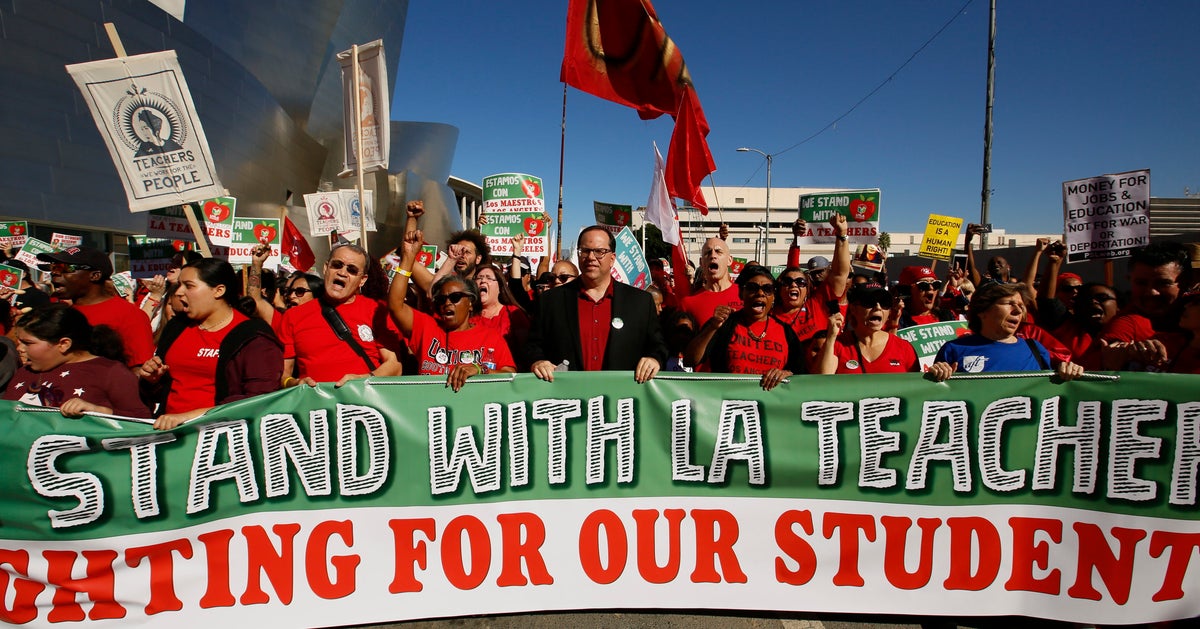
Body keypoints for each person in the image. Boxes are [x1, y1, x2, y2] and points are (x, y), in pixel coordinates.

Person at [137, 259, 282, 429]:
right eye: (179, 285)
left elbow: (259, 400)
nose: (178, 292)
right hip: (169, 433)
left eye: (189, 286)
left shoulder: (254, 337)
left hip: (221, 437)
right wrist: (152, 380)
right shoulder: (176, 327)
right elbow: (159, 392)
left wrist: (189, 417)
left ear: (218, 290)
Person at [527, 226, 667, 382]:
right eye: (585, 251)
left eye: (599, 251)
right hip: (567, 398)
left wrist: (654, 359)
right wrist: (537, 362)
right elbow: (533, 346)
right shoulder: (550, 301)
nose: (591, 257)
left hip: (621, 398)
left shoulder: (640, 302)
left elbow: (658, 347)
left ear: (612, 258)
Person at [388, 229, 516, 391]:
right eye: (441, 299)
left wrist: (480, 370)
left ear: (470, 302)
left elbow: (509, 373)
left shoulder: (491, 338)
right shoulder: (426, 327)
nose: (447, 302)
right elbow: (395, 304)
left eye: (455, 297)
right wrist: (407, 258)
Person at [278, 242, 404, 386]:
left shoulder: (377, 311)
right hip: (314, 404)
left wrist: (364, 380)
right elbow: (282, 375)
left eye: (352, 270)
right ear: (326, 268)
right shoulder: (293, 316)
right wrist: (295, 383)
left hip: (364, 403)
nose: (342, 273)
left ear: (362, 280)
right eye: (337, 265)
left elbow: (395, 367)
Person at [4, 304, 150, 418]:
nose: (20, 348)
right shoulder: (24, 372)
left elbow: (142, 420)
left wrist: (99, 411)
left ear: (63, 344)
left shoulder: (110, 372)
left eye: (27, 343)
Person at [928, 282, 1084, 381]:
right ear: (982, 311)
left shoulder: (1036, 349)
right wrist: (937, 376)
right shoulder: (954, 350)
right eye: (1009, 304)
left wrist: (1068, 372)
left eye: (1021, 306)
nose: (1017, 310)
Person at [684, 265, 802, 390]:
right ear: (741, 293)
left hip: (770, 406)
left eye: (767, 289)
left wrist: (788, 375)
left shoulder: (786, 332)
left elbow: (801, 376)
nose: (760, 293)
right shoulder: (723, 324)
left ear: (773, 296)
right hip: (730, 403)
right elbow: (689, 360)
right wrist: (712, 326)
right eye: (752, 288)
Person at [38, 246, 155, 369]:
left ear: (95, 275)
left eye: (67, 268)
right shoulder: (62, 313)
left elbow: (139, 369)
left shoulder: (129, 314)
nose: (55, 273)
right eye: (54, 267)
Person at [1101, 241, 1191, 368]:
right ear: (1129, 280)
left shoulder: (1194, 317)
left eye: (1163, 283)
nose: (1152, 292)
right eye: (1141, 283)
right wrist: (1114, 360)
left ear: (1186, 282)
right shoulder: (1126, 326)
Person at [818, 282, 919, 374]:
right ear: (853, 309)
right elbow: (823, 383)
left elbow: (916, 388)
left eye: (884, 303)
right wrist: (831, 337)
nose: (878, 307)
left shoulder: (904, 348)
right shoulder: (838, 345)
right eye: (869, 302)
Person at [472, 262, 531, 369]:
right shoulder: (467, 315)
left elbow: (526, 350)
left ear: (500, 287)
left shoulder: (513, 314)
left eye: (489, 278)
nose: (483, 281)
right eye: (479, 278)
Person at [1051, 283, 1120, 371]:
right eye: (1086, 300)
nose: (1093, 302)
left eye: (1102, 298)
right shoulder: (1067, 328)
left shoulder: (1132, 335)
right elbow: (1046, 300)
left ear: (1118, 306)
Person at [679, 237, 741, 326]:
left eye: (718, 251)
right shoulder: (688, 303)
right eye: (708, 253)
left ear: (730, 260)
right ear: (701, 262)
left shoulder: (746, 296)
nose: (712, 256)